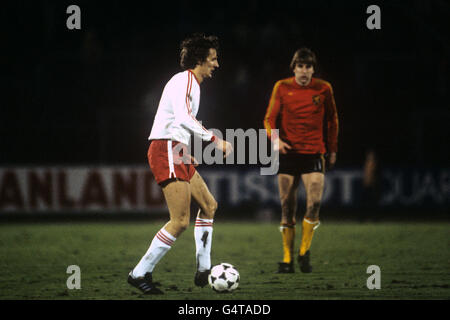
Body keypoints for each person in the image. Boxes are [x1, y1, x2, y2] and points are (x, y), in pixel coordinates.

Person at [127, 33, 233, 294]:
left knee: (209, 205)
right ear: (199, 60)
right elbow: (184, 117)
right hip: (166, 149)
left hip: (176, 149)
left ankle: (204, 269)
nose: (216, 64)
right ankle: (139, 272)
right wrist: (214, 140)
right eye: (213, 59)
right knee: (181, 220)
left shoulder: (191, 84)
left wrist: (185, 148)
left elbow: (178, 120)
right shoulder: (186, 80)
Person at [263, 48, 339, 273]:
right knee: (287, 206)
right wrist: (275, 140)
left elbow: (332, 120)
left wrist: (332, 149)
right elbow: (269, 119)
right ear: (294, 68)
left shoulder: (324, 88)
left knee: (314, 203)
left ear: (313, 69)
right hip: (287, 154)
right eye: (300, 66)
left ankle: (304, 252)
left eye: (308, 67)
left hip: (314, 152)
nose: (304, 71)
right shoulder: (282, 87)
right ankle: (287, 260)